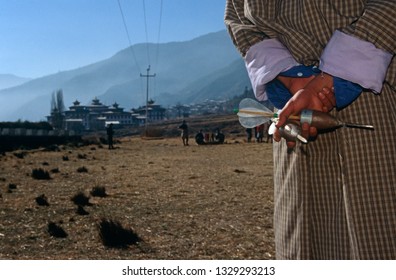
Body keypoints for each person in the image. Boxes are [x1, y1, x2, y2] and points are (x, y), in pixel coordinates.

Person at [225, 0, 395, 259]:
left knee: (379, 238)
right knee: (307, 245)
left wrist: (333, 78)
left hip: (379, 107)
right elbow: (239, 16)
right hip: (297, 119)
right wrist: (290, 76)